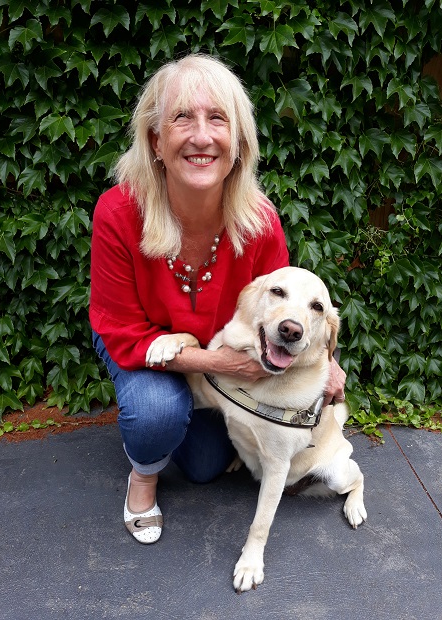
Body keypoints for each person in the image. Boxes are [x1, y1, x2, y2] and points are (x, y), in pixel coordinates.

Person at [89, 54, 346, 545]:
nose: (202, 136)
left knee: (207, 466)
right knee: (156, 412)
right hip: (143, 342)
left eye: (217, 119)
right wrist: (217, 362)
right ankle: (143, 475)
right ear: (155, 142)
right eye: (182, 117)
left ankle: (185, 413)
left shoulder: (261, 222)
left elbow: (286, 312)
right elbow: (119, 328)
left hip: (223, 356)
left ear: (237, 146)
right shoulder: (118, 212)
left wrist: (324, 363)